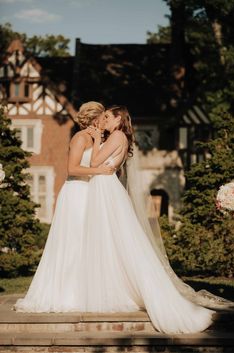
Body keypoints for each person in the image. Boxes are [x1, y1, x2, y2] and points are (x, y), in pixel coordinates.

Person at [83, 105, 216, 334]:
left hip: (105, 189)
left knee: (115, 238)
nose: (103, 121)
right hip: (105, 187)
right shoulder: (120, 137)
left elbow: (94, 163)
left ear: (118, 118)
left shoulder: (116, 136)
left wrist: (96, 140)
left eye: (107, 117)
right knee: (111, 239)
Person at [14, 101, 115, 312]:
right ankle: (66, 294)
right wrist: (100, 172)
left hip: (90, 192)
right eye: (103, 117)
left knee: (89, 242)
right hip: (76, 192)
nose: (105, 121)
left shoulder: (96, 139)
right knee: (74, 241)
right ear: (95, 119)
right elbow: (72, 168)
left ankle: (87, 291)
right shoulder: (79, 138)